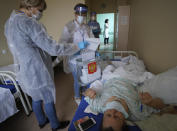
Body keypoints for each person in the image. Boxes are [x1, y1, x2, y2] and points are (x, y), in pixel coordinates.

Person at [4, 0, 86, 131]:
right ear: (30, 7)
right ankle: (55, 125)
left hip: (24, 67)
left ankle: (42, 121)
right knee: (47, 97)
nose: (41, 14)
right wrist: (77, 46)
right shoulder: (29, 22)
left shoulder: (9, 22)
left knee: (36, 97)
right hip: (37, 68)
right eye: (40, 10)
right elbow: (54, 49)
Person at [83, 77, 176, 131]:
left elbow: (86, 95)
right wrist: (151, 102)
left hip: (109, 79)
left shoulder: (98, 106)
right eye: (116, 117)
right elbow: (162, 106)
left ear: (103, 116)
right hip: (130, 79)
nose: (113, 111)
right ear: (125, 121)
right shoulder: (137, 113)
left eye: (108, 115)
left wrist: (89, 92)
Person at [59, 3, 94, 105]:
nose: (81, 16)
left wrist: (95, 50)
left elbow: (91, 39)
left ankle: (83, 91)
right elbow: (62, 44)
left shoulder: (87, 27)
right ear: (75, 14)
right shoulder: (68, 27)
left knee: (85, 76)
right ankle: (77, 96)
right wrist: (76, 47)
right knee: (77, 78)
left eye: (83, 14)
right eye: (79, 14)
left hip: (86, 56)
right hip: (74, 58)